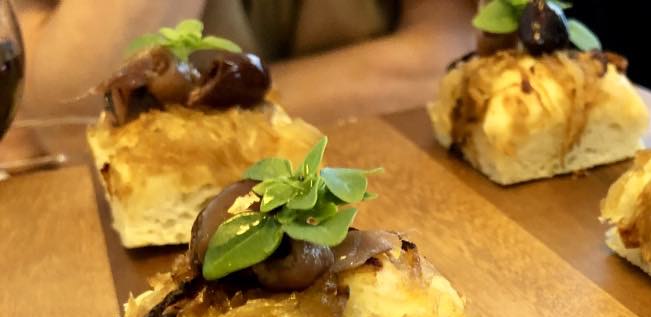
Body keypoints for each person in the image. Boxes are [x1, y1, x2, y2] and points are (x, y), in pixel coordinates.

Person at [5, 0, 475, 160]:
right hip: (101, 248)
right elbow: (69, 120)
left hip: (371, 186)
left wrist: (182, 116)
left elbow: (445, 57)